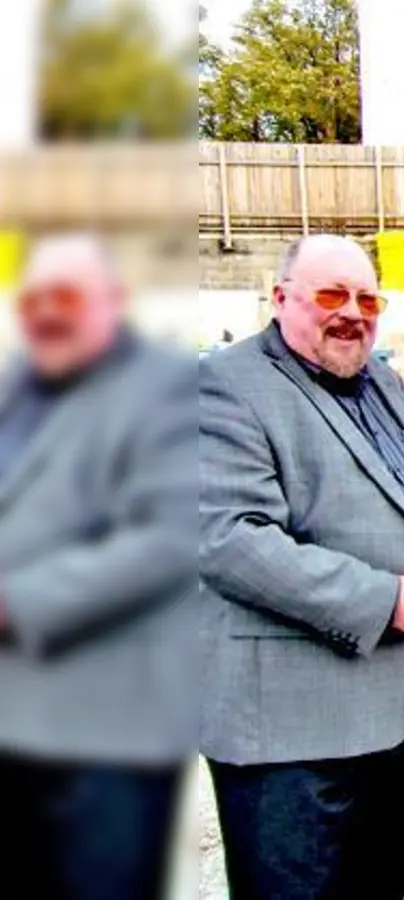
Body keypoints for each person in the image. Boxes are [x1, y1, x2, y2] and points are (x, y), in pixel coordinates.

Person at [200, 235, 404, 899]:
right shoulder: (224, 384)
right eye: (331, 295)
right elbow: (230, 539)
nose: (352, 311)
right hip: (294, 730)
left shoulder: (378, 378)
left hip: (389, 713)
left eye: (367, 298)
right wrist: (382, 601)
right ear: (281, 297)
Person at [0, 235, 195, 900]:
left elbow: (166, 540)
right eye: (37, 299)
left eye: (69, 298)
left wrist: (18, 604)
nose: (49, 312)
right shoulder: (13, 387)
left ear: (114, 304)